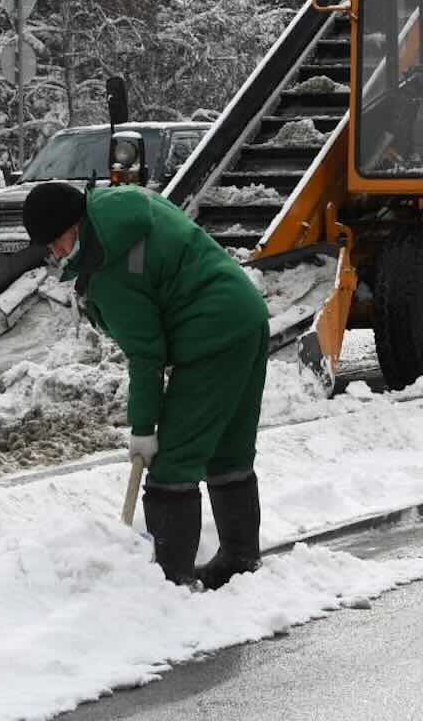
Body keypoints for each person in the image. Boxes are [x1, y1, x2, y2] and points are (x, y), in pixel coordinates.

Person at [22, 180, 271, 590]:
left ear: (74, 225)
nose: (57, 253)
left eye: (58, 241)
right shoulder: (116, 211)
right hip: (245, 317)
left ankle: (169, 583)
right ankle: (240, 560)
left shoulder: (112, 266)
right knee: (228, 449)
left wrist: (143, 429)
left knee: (173, 462)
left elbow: (146, 356)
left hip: (211, 335)